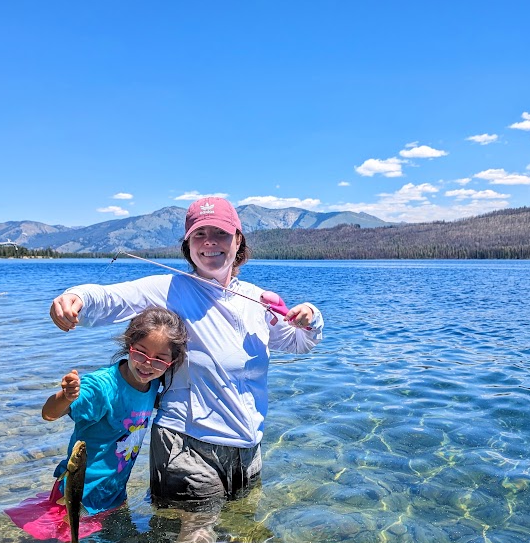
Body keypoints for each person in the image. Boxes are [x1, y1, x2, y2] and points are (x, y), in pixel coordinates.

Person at [49, 196, 324, 510]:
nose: (210, 243)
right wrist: (74, 298)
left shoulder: (257, 299)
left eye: (220, 233)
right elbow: (110, 298)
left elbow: (299, 342)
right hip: (186, 447)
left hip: (247, 449)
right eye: (199, 234)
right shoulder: (169, 289)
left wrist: (310, 317)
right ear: (188, 245)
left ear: (238, 241)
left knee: (244, 536)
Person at [6, 306, 188, 543]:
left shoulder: (153, 383)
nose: (147, 364)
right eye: (140, 353)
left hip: (113, 492)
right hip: (79, 493)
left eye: (159, 360)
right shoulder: (101, 387)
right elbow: (48, 414)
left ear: (172, 362)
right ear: (128, 345)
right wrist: (67, 397)